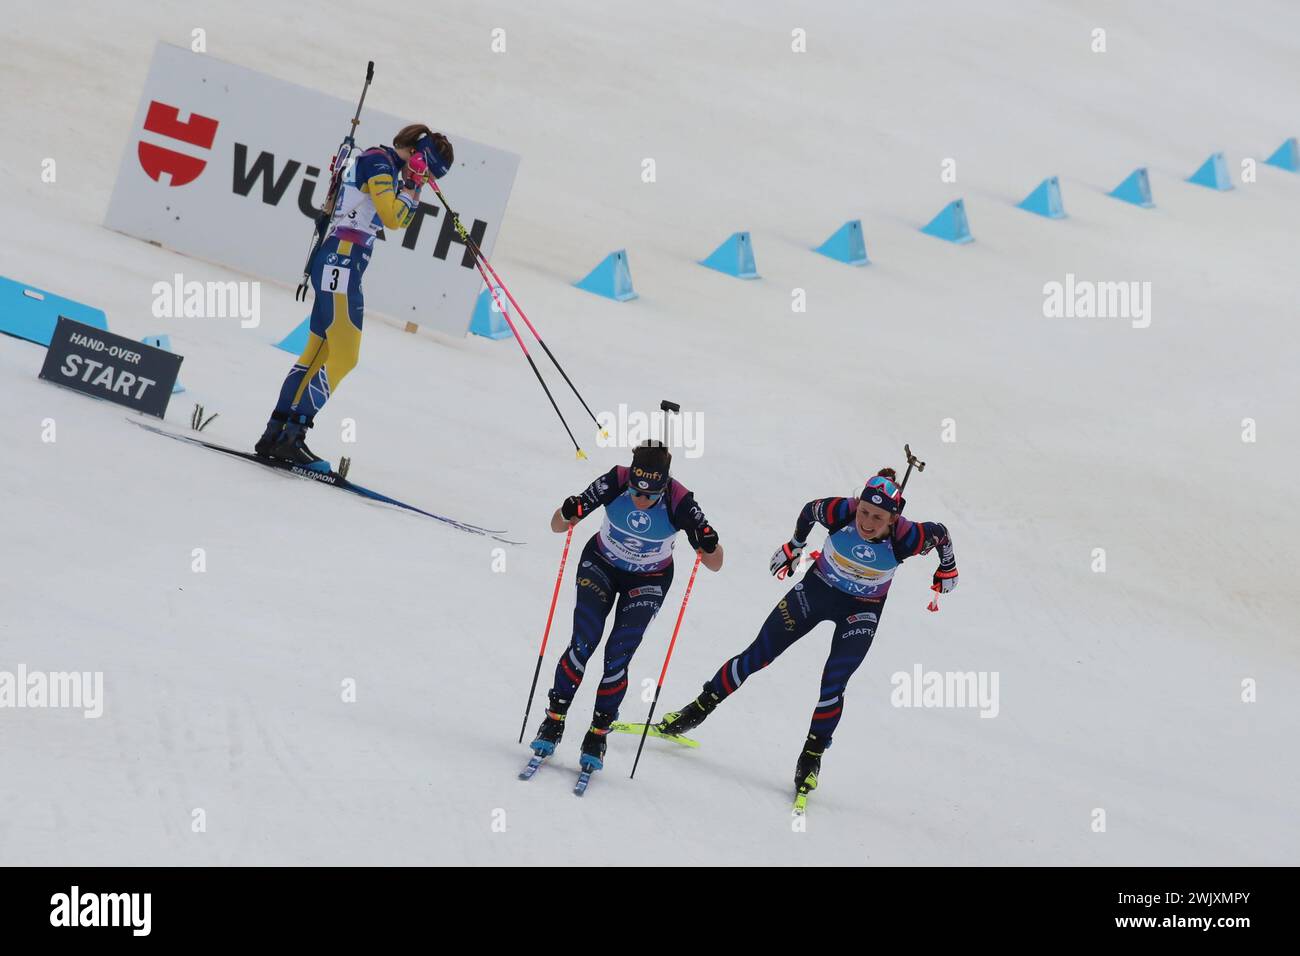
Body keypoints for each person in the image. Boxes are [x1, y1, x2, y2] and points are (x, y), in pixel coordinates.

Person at [654, 467, 958, 797]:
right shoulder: (841, 511)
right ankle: (697, 709)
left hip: (862, 610)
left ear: (893, 517)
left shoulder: (908, 536)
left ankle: (811, 758)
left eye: (878, 518)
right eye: (865, 512)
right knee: (758, 655)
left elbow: (940, 534)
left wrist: (948, 567)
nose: (867, 523)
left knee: (834, 682)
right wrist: (794, 546)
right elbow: (809, 510)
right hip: (816, 592)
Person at [254, 125, 455, 470]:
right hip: (343, 259)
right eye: (427, 168)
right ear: (418, 154)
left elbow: (399, 218)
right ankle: (293, 435)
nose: (423, 176)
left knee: (318, 352)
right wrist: (413, 186)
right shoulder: (379, 161)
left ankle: (276, 432)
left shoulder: (389, 167)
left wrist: (412, 186)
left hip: (342, 260)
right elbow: (393, 218)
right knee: (345, 356)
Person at [530, 441, 724, 772]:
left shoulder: (680, 502)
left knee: (617, 656)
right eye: (636, 491)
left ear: (663, 486)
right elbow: (556, 526)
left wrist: (708, 541)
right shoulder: (615, 481)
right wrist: (567, 511)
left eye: (650, 495)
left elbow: (716, 563)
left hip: (649, 580)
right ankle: (553, 719)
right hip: (601, 565)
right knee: (583, 642)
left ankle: (598, 733)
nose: (641, 499)